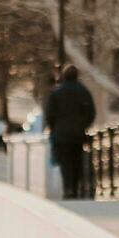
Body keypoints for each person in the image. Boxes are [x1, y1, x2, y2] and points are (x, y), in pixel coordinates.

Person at [45, 64, 96, 198]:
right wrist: (83, 125)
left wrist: (53, 127)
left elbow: (50, 114)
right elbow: (91, 112)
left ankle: (68, 188)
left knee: (65, 162)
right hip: (78, 134)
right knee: (76, 160)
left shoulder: (57, 93)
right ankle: (74, 186)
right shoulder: (84, 91)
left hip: (61, 134)